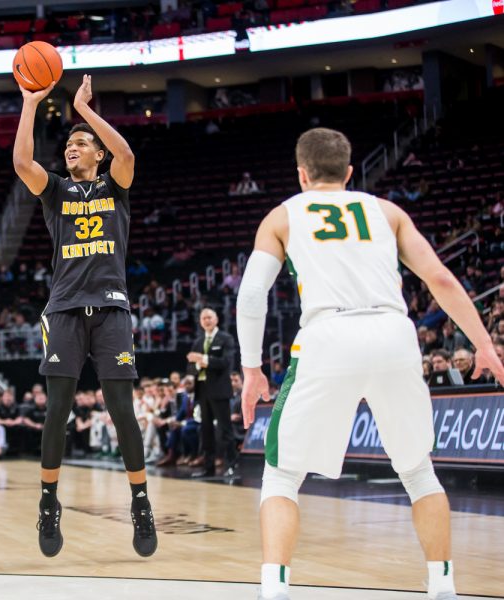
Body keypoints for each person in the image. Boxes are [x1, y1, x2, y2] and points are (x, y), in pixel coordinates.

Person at [236, 127, 504, 600]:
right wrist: (483, 343)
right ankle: (443, 585)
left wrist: (253, 368)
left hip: (328, 335)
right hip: (393, 334)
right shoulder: (387, 211)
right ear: (350, 171)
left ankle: (274, 590)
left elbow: (253, 294)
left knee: (281, 475)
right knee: (419, 471)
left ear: (301, 173)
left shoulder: (282, 216)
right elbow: (439, 278)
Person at [14, 73, 155, 558]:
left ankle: (140, 502)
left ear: (97, 154)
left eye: (82, 144)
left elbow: (129, 156)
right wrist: (31, 104)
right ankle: (49, 502)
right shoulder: (55, 191)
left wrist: (85, 112)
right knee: (58, 411)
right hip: (66, 309)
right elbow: (21, 162)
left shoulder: (116, 187)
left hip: (112, 308)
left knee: (122, 412)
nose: (72, 148)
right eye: (70, 143)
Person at [186, 308, 237, 475]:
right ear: (200, 322)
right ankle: (208, 467)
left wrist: (203, 360)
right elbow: (190, 367)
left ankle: (231, 465)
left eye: (209, 317)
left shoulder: (225, 339)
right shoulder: (198, 342)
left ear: (216, 319)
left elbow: (226, 362)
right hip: (202, 391)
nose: (206, 320)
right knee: (205, 430)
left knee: (225, 429)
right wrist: (195, 365)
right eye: (203, 318)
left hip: (220, 390)